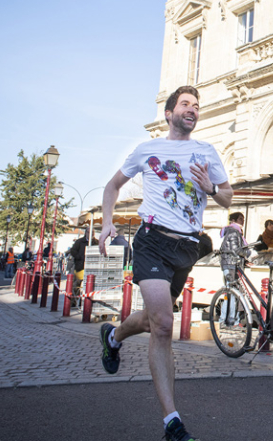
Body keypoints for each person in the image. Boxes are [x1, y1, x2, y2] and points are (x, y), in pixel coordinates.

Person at [96, 85, 232, 441]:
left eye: (196, 106)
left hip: (186, 248)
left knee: (153, 320)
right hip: (152, 241)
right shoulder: (147, 149)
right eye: (185, 104)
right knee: (163, 325)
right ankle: (172, 421)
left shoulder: (206, 151)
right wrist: (108, 221)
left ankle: (113, 335)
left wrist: (210, 188)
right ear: (169, 113)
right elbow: (112, 187)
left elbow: (228, 197)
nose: (192, 109)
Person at [68, 232, 89, 304]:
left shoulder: (95, 242)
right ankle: (73, 301)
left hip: (89, 265)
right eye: (90, 232)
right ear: (87, 233)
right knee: (76, 284)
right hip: (79, 266)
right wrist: (79, 257)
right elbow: (73, 251)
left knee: (88, 284)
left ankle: (83, 302)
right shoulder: (80, 241)